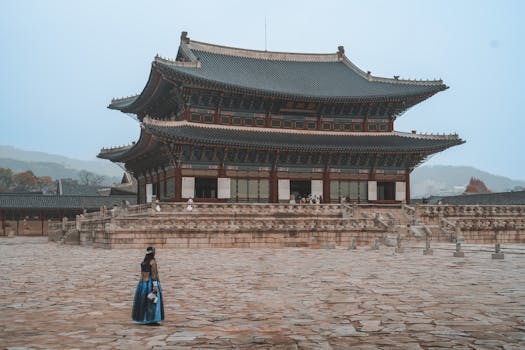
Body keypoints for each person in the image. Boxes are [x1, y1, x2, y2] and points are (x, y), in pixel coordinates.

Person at [132, 246, 164, 324]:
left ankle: (144, 317)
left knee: (143, 301)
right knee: (152, 302)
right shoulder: (152, 262)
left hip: (142, 284)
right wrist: (155, 285)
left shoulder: (143, 262)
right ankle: (152, 319)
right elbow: (154, 275)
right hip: (150, 283)